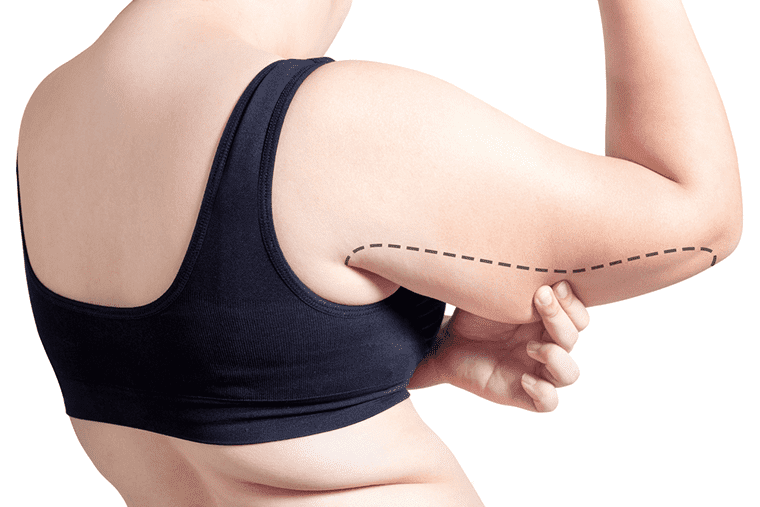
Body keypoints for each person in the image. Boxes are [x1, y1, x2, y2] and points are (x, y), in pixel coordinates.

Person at [14, 0, 742, 505]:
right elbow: (698, 218)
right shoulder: (322, 122)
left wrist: (417, 355)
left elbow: (205, 384)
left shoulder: (54, 114)